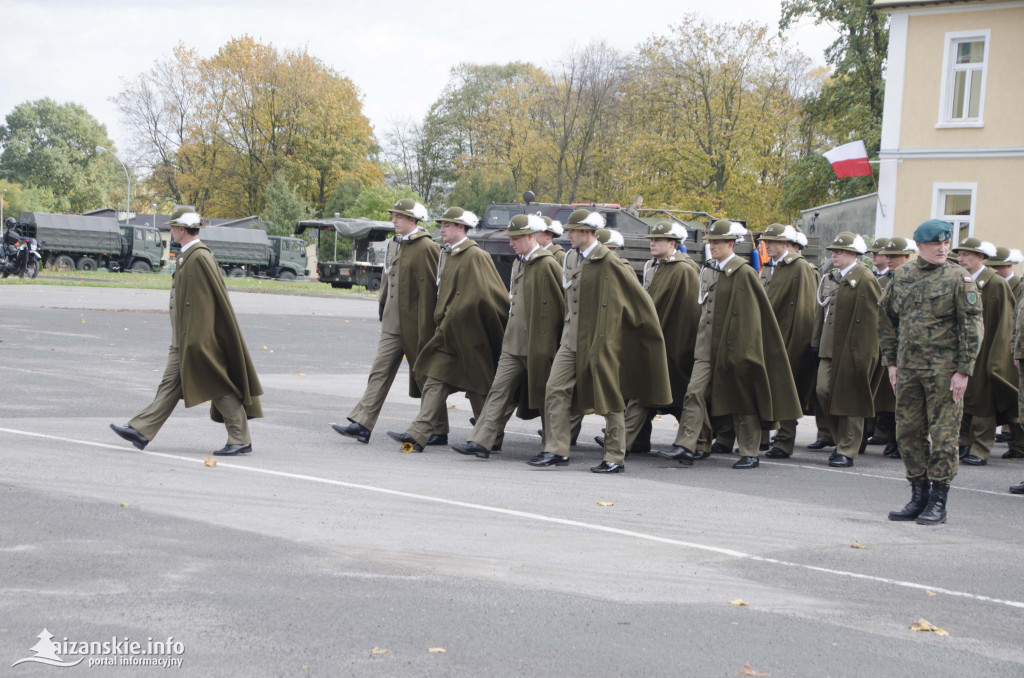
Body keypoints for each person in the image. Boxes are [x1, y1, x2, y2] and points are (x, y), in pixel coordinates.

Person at [110, 207, 263, 456]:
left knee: (217, 384)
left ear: (181, 229)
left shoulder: (199, 256)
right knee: (169, 385)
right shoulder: (188, 255)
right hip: (182, 338)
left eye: (172, 227)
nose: (170, 231)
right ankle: (141, 429)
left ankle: (239, 438)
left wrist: (198, 340)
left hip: (196, 339)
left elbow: (207, 304)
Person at [528, 208, 670, 473]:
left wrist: (622, 335)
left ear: (586, 232)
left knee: (609, 398)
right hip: (571, 339)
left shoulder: (610, 261)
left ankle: (615, 456)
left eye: (572, 230)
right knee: (555, 388)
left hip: (599, 340)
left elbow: (638, 301)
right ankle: (557, 449)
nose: (567, 234)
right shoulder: (571, 257)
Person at [658, 219, 801, 469]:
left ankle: (750, 451)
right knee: (694, 393)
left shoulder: (743, 272)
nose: (712, 246)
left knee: (742, 399)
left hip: (735, 348)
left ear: (731, 243)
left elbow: (753, 316)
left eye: (717, 242)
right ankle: (688, 445)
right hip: (706, 347)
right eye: (710, 242)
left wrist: (744, 351)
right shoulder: (710, 269)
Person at [879, 219, 982, 525]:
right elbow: (886, 319)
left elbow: (972, 326)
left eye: (946, 243)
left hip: (943, 372)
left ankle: (938, 500)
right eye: (935, 244)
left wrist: (964, 370)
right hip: (909, 369)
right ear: (919, 246)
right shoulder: (901, 276)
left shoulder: (958, 277)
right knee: (908, 433)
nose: (942, 249)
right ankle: (918, 495)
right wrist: (892, 362)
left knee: (944, 435)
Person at [387, 207, 509, 452]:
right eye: (441, 225)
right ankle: (418, 434)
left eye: (447, 225)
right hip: (448, 334)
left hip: (472, 336)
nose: (441, 229)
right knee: (434, 379)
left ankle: (491, 438)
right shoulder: (450, 254)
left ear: (461, 228)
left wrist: (460, 314)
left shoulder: (476, 256)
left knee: (478, 388)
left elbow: (490, 296)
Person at [452, 214, 565, 458]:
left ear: (529, 236)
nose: (511, 243)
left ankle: (554, 448)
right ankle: (482, 442)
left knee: (547, 397)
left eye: (515, 239)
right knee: (498, 391)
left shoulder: (547, 263)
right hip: (513, 342)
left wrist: (551, 344)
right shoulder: (519, 263)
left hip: (539, 345)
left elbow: (559, 307)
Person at [331, 199, 440, 445]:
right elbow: (387, 276)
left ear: (412, 220)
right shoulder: (393, 243)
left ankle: (438, 429)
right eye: (393, 215)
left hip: (416, 323)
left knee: (425, 375)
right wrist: (382, 303)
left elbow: (433, 288)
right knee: (379, 371)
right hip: (392, 321)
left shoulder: (427, 247)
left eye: (399, 216)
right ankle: (362, 424)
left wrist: (428, 324)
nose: (394, 220)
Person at [600, 221, 700, 459]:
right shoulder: (659, 267)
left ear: (673, 243)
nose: (653, 243)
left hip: (674, 348)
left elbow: (687, 316)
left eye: (658, 240)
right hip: (658, 343)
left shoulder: (684, 270)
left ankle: (699, 442)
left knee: (680, 398)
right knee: (642, 394)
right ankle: (628, 441)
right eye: (652, 240)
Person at [811, 232, 881, 467]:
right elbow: (822, 314)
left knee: (851, 398)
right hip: (830, 347)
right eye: (833, 251)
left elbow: (872, 321)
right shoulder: (831, 277)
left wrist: (865, 355)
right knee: (823, 391)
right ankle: (840, 439)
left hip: (853, 349)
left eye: (839, 251)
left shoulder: (865, 278)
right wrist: (816, 342)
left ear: (853, 254)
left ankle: (848, 449)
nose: (834, 255)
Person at [951, 238, 1023, 466]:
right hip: (959, 349)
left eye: (966, 254)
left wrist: (999, 356)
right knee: (958, 397)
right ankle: (963, 443)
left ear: (980, 257)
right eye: (959, 254)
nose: (961, 259)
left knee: (982, 400)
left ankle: (980, 448)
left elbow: (1005, 322)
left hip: (985, 351)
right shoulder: (959, 279)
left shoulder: (994, 283)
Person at [756, 224, 818, 460]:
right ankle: (762, 437)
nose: (767, 245)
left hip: (788, 339)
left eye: (772, 241)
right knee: (767, 387)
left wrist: (795, 343)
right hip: (769, 337)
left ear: (785, 243)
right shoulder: (770, 267)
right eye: (765, 241)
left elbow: (804, 310)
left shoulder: (799, 267)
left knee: (786, 389)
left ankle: (784, 441)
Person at [870, 237, 918, 458]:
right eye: (887, 256)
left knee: (907, 400)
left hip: (912, 347)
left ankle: (904, 442)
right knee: (890, 396)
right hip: (890, 344)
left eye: (894, 256)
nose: (889, 260)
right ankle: (892, 436)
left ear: (907, 257)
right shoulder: (886, 280)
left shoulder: (915, 280)